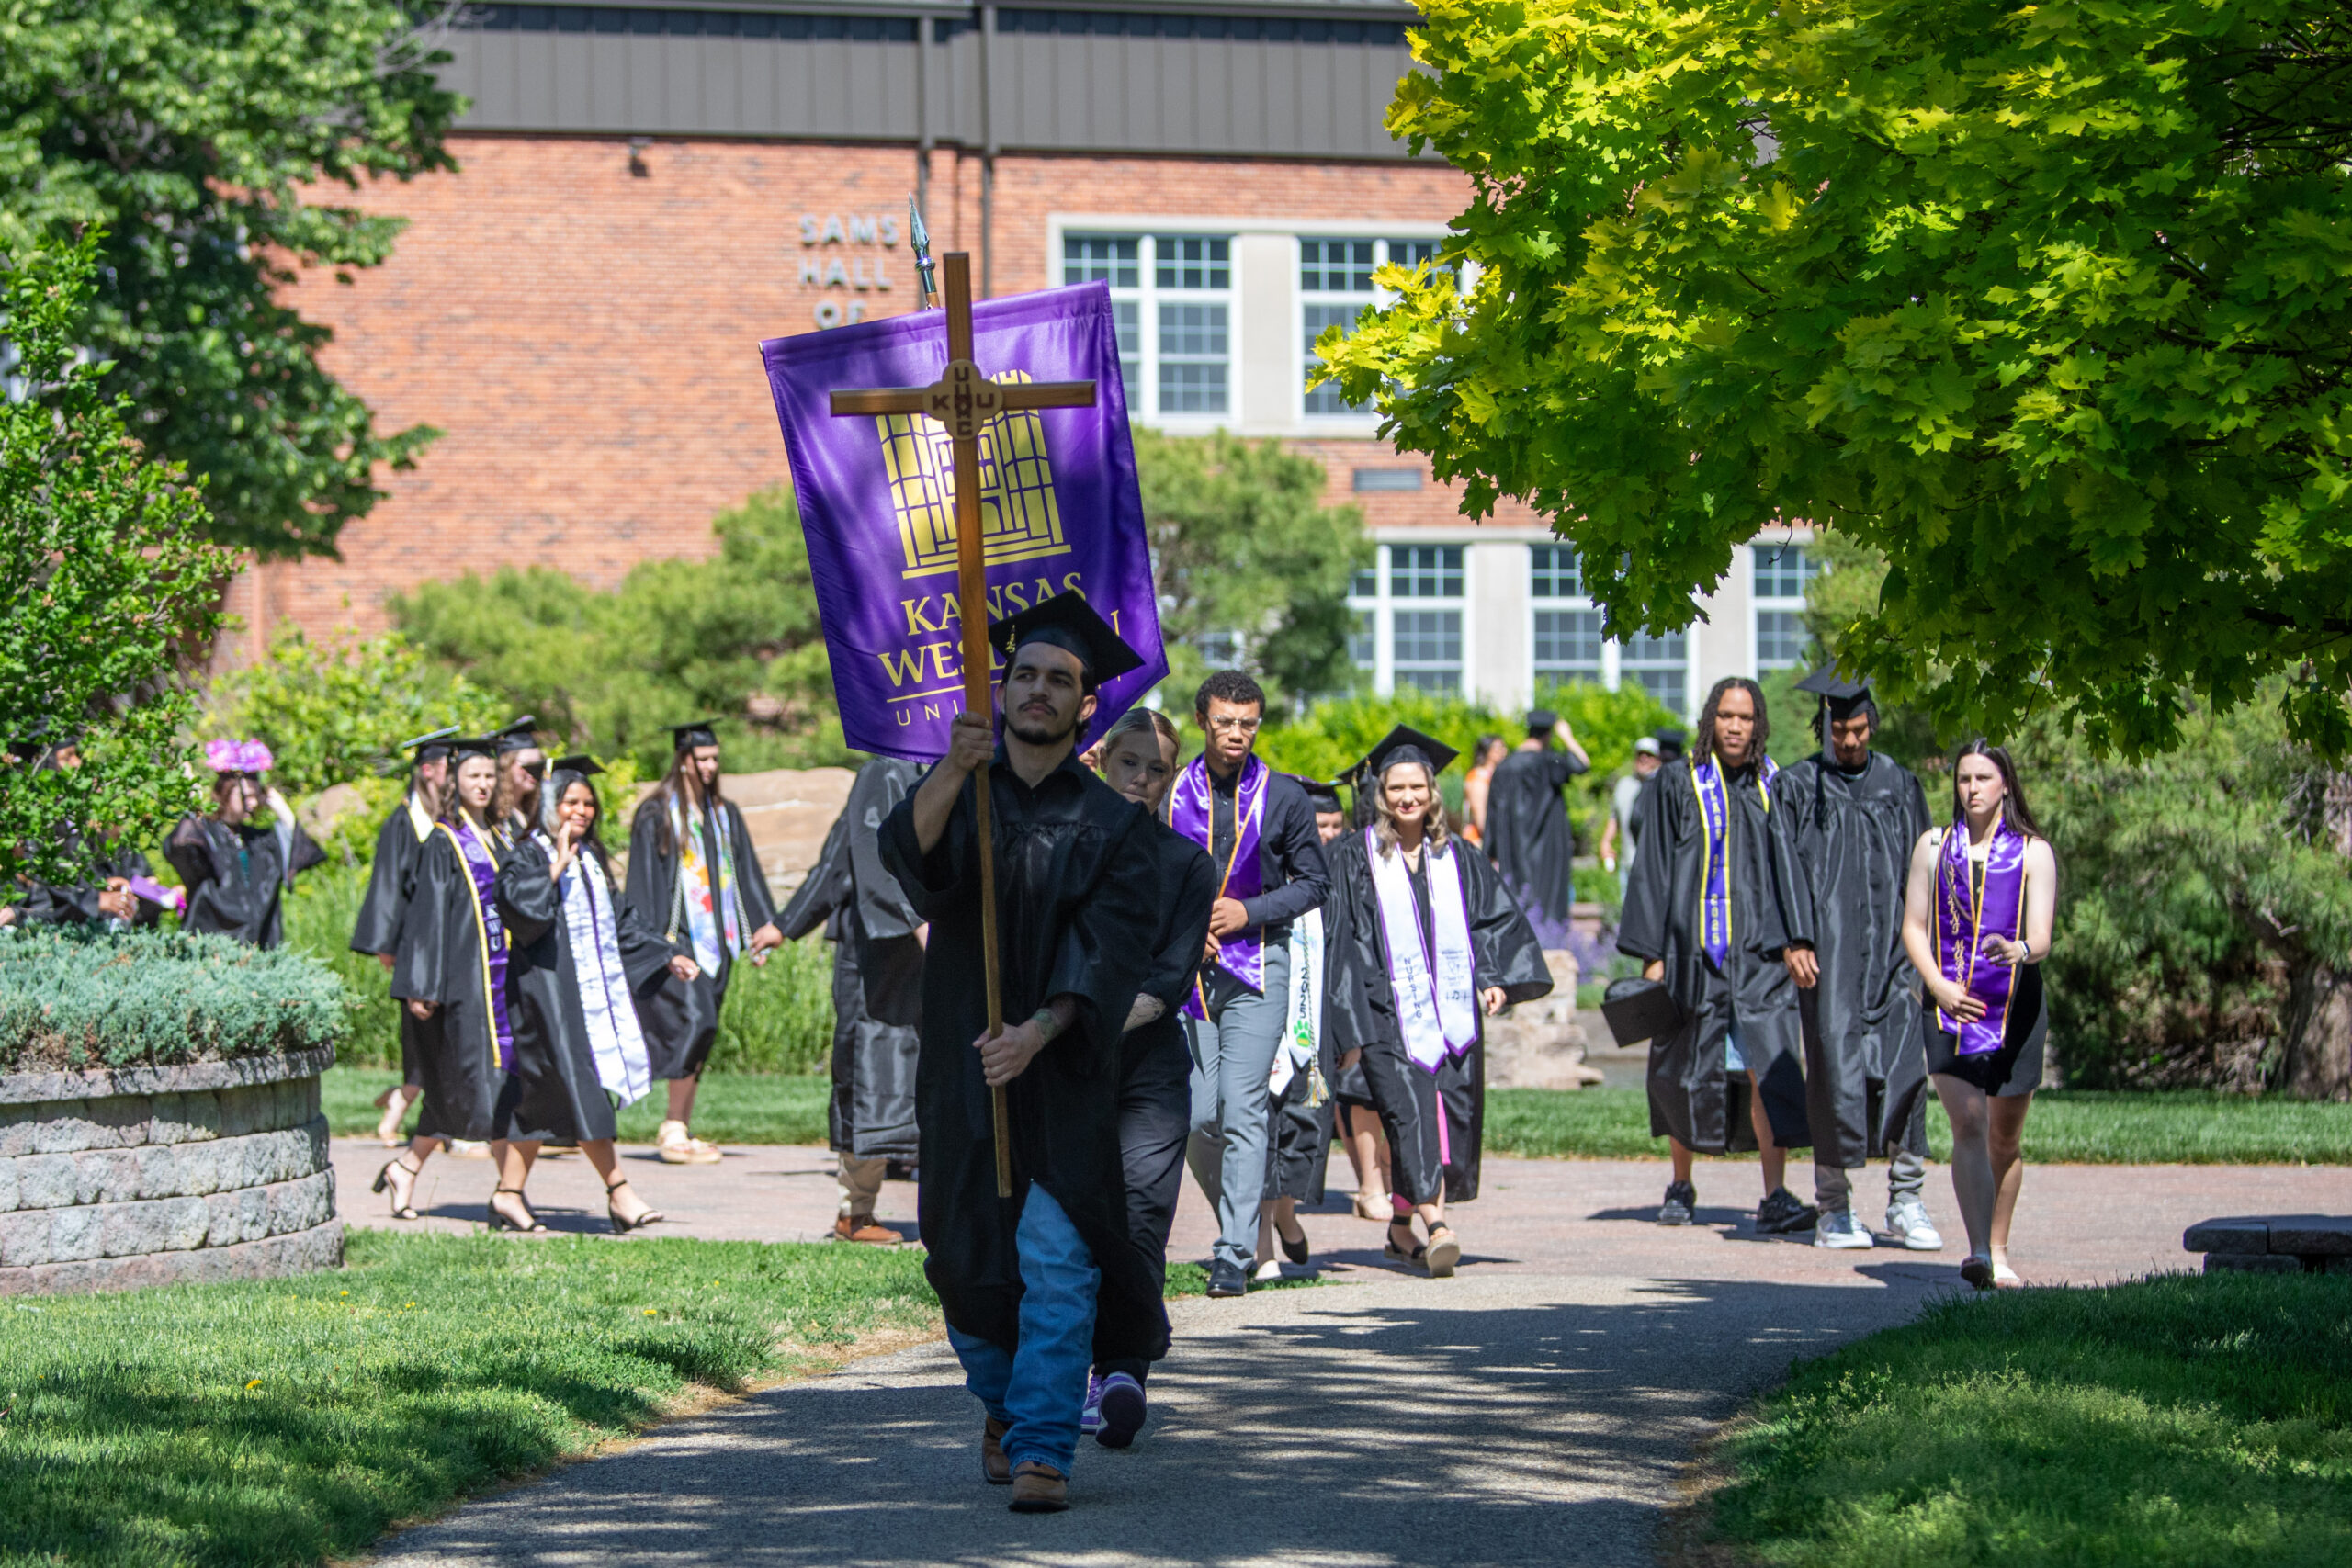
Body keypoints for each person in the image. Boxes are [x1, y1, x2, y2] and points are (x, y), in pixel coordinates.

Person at [878, 593, 1161, 1513]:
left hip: (1064, 1072)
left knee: (1055, 1257)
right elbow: (905, 863)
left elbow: (1113, 948)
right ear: (1001, 686)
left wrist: (1038, 1031)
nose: (1037, 690)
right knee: (960, 1260)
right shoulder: (966, 788)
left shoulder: (1113, 827)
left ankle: (1042, 1444)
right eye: (1025, 674)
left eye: (1060, 680)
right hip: (963, 1063)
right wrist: (953, 774)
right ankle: (1001, 1405)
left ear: (1088, 705)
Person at [1325, 727, 1553, 1276]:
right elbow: (1341, 944)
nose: (1407, 798)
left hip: (1449, 1015)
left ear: (1432, 794)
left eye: (1417, 788)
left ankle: (1402, 1229)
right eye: (1396, 788)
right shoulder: (1355, 858)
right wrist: (1349, 1026)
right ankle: (1438, 1226)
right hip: (1382, 1014)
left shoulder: (1458, 856)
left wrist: (1493, 975)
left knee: (1444, 1114)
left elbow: (1489, 921)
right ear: (1380, 793)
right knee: (1409, 1115)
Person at [1617, 679, 1813, 1233]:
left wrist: (1798, 938)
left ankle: (1775, 1195)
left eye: (1745, 717)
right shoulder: (1678, 783)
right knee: (1683, 1068)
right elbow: (1651, 866)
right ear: (1710, 720)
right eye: (1725, 715)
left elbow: (1794, 872)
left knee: (1767, 1069)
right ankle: (1681, 1183)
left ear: (1759, 724)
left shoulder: (1776, 785)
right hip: (1690, 953)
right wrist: (1652, 953)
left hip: (1761, 956)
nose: (1734, 726)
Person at [1168, 670, 1330, 1298]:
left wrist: (1248, 912)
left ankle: (1234, 1251)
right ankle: (1237, 1218)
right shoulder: (1172, 791)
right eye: (1225, 721)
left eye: (1247, 723)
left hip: (1260, 965)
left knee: (1242, 1106)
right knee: (1195, 1114)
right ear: (1203, 721)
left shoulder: (1284, 796)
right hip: (1189, 972)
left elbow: (1315, 882)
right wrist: (1185, 927)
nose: (1236, 733)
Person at [1770, 671, 1942, 1252]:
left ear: (1873, 725)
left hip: (1897, 954)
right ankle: (1834, 1208)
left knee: (1905, 1069)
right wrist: (1794, 940)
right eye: (1839, 731)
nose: (1849, 742)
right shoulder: (1797, 787)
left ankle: (1906, 1200)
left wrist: (1931, 951)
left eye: (1859, 730)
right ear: (1824, 727)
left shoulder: (1899, 783)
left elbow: (1925, 868)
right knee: (1833, 1074)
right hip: (1830, 955)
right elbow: (1782, 867)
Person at [1081, 707, 1216, 1450]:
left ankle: (1124, 1370)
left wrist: (1080, 1023)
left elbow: (1167, 980)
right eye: (1129, 763)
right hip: (1066, 1069)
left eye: (1156, 769)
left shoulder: (1187, 866)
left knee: (1140, 1215)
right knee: (1069, 1224)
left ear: (1171, 777)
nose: (1141, 779)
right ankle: (1072, 1364)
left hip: (1149, 1068)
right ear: (1103, 761)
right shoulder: (1063, 852)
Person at [490, 756, 696, 1233]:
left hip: (582, 1000)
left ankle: (508, 1194)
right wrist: (555, 866)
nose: (581, 812)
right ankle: (619, 1191)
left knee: (541, 1101)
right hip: (545, 999)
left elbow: (620, 921)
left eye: (587, 804)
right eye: (570, 803)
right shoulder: (528, 856)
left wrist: (666, 954)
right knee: (585, 1091)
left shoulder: (591, 860)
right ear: (549, 806)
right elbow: (522, 914)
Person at [1901, 740, 2056, 1291]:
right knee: (1968, 1123)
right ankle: (1976, 1253)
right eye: (1964, 778)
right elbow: (1913, 927)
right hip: (1947, 1008)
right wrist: (1939, 987)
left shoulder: (2034, 852)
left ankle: (1999, 1246)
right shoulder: (1933, 847)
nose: (1972, 788)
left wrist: (2018, 950)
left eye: (1983, 778)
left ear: (2005, 785)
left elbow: (2041, 936)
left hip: (2015, 1008)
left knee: (2004, 1141)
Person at [777, 754, 927, 1246]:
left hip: (927, 954)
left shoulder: (952, 763)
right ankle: (856, 1213)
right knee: (876, 1076)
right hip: (883, 959)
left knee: (928, 1078)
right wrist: (918, 922)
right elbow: (861, 854)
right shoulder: (887, 768)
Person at [623, 719, 784, 1165]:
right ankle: (672, 1125)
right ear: (684, 759)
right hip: (677, 942)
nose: (712, 766)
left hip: (720, 940)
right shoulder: (656, 813)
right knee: (697, 1021)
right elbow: (642, 884)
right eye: (704, 758)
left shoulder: (723, 813)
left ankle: (681, 1126)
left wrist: (760, 932)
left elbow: (745, 874)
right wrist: (654, 944)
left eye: (716, 758)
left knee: (705, 1025)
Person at [376, 736, 514, 1222]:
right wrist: (422, 985)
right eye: (473, 775)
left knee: (466, 1087)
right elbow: (427, 917)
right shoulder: (444, 839)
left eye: (489, 776)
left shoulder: (501, 836)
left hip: (500, 981)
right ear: (454, 780)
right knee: (483, 1085)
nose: (483, 784)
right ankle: (510, 1193)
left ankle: (407, 1168)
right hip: (463, 984)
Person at [1257, 774, 1348, 1278]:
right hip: (1262, 1029)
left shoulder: (1330, 888)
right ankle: (1260, 1246)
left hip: (1312, 1032)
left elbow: (1352, 962)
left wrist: (1349, 1034)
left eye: (1334, 825)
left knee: (1303, 1127)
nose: (1323, 835)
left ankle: (1287, 1215)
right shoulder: (1259, 884)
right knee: (1256, 1131)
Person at [351, 727, 459, 1147]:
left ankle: (403, 1105)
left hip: (448, 940)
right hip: (414, 945)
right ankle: (401, 1108)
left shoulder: (447, 820)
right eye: (451, 767)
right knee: (421, 1034)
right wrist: (385, 946)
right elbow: (387, 886)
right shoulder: (403, 822)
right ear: (428, 770)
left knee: (437, 1036)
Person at [164, 739, 324, 948]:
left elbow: (300, 855)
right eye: (247, 796)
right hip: (213, 942)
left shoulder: (260, 839)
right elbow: (181, 846)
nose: (254, 803)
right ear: (225, 791)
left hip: (259, 942)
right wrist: (192, 804)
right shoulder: (206, 833)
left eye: (256, 795)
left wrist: (285, 813)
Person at [1482, 708, 1592, 946]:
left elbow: (1492, 813)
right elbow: (1583, 764)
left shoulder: (1505, 767)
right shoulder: (1549, 762)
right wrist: (1568, 737)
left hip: (1513, 845)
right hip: (1548, 846)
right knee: (1548, 898)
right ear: (1549, 734)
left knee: (1518, 895)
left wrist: (1490, 851)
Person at [1600, 735, 1664, 898]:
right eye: (1640, 754)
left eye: (1649, 755)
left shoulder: (1663, 785)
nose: (1643, 758)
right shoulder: (1624, 785)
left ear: (1657, 759)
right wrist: (1606, 842)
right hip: (1628, 863)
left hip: (1654, 865)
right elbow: (1615, 817)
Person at [1460, 735, 1507, 846]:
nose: (1504, 751)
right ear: (1488, 751)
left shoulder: (1496, 776)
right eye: (1499, 748)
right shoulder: (1479, 777)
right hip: (1478, 841)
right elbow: (1480, 815)